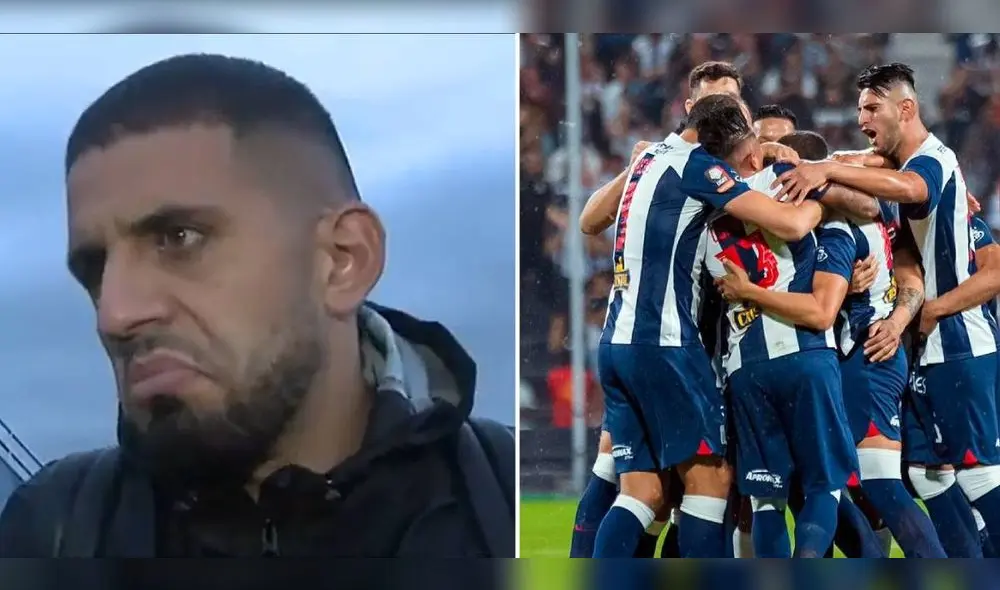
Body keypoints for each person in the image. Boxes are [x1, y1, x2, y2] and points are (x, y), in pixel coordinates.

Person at [0, 54, 514, 558]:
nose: (115, 315)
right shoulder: (50, 534)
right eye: (95, 269)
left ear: (343, 260)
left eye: (179, 238)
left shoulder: (515, 512)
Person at [774, 62, 1000, 556]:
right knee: (925, 472)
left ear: (907, 108)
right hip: (924, 348)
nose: (862, 118)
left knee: (980, 475)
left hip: (962, 345)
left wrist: (827, 170)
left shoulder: (933, 161)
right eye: (859, 109)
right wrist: (822, 161)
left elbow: (912, 190)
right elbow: (872, 169)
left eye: (872, 108)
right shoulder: (901, 163)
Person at [591, 93, 825, 558]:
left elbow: (588, 220)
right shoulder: (698, 167)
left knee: (642, 494)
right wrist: (819, 201)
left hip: (616, 340)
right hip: (665, 343)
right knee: (712, 479)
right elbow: (790, 223)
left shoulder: (650, 157)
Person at [721, 130, 946, 558]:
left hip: (868, 353)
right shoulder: (852, 214)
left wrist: (892, 317)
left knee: (877, 483)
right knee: (832, 487)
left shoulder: (837, 230)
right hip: (853, 356)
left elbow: (824, 307)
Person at [570, 60, 747, 558]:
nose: (724, 110)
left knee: (657, 491)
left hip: (705, 343)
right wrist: (641, 166)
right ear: (691, 109)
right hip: (668, 341)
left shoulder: (745, 158)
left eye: (732, 101)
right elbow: (588, 220)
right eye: (714, 101)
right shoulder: (672, 161)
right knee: (659, 480)